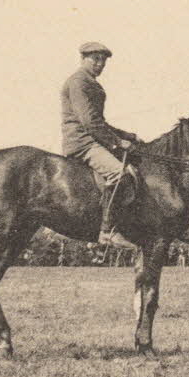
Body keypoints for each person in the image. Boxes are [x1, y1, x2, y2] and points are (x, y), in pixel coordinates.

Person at [61, 42, 142, 250]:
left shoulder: (89, 82)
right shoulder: (79, 81)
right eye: (95, 59)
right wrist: (117, 143)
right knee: (119, 174)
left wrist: (128, 136)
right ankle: (107, 232)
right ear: (83, 58)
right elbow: (90, 122)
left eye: (103, 60)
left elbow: (99, 122)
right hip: (83, 142)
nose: (100, 64)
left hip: (92, 139)